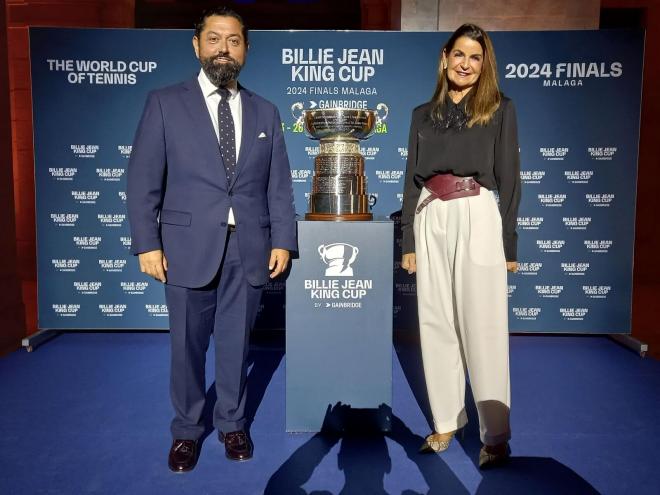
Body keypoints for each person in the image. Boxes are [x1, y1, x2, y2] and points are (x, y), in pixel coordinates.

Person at [127, 6, 297, 472]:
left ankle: (232, 422)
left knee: (236, 345)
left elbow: (277, 185)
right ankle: (186, 431)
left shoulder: (265, 110)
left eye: (235, 40)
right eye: (216, 39)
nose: (225, 48)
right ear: (197, 45)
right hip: (184, 248)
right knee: (186, 346)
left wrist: (282, 239)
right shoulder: (164, 102)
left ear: (245, 48)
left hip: (249, 248)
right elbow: (142, 181)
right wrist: (147, 243)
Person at [400, 23, 520, 469]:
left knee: (482, 327)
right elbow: (412, 181)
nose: (466, 64)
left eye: (475, 57)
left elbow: (509, 181)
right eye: (459, 54)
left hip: (477, 214)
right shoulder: (421, 114)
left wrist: (509, 245)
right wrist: (409, 238)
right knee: (435, 323)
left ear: (484, 64)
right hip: (431, 213)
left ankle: (496, 434)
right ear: (445, 57)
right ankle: (447, 421)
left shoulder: (500, 109)